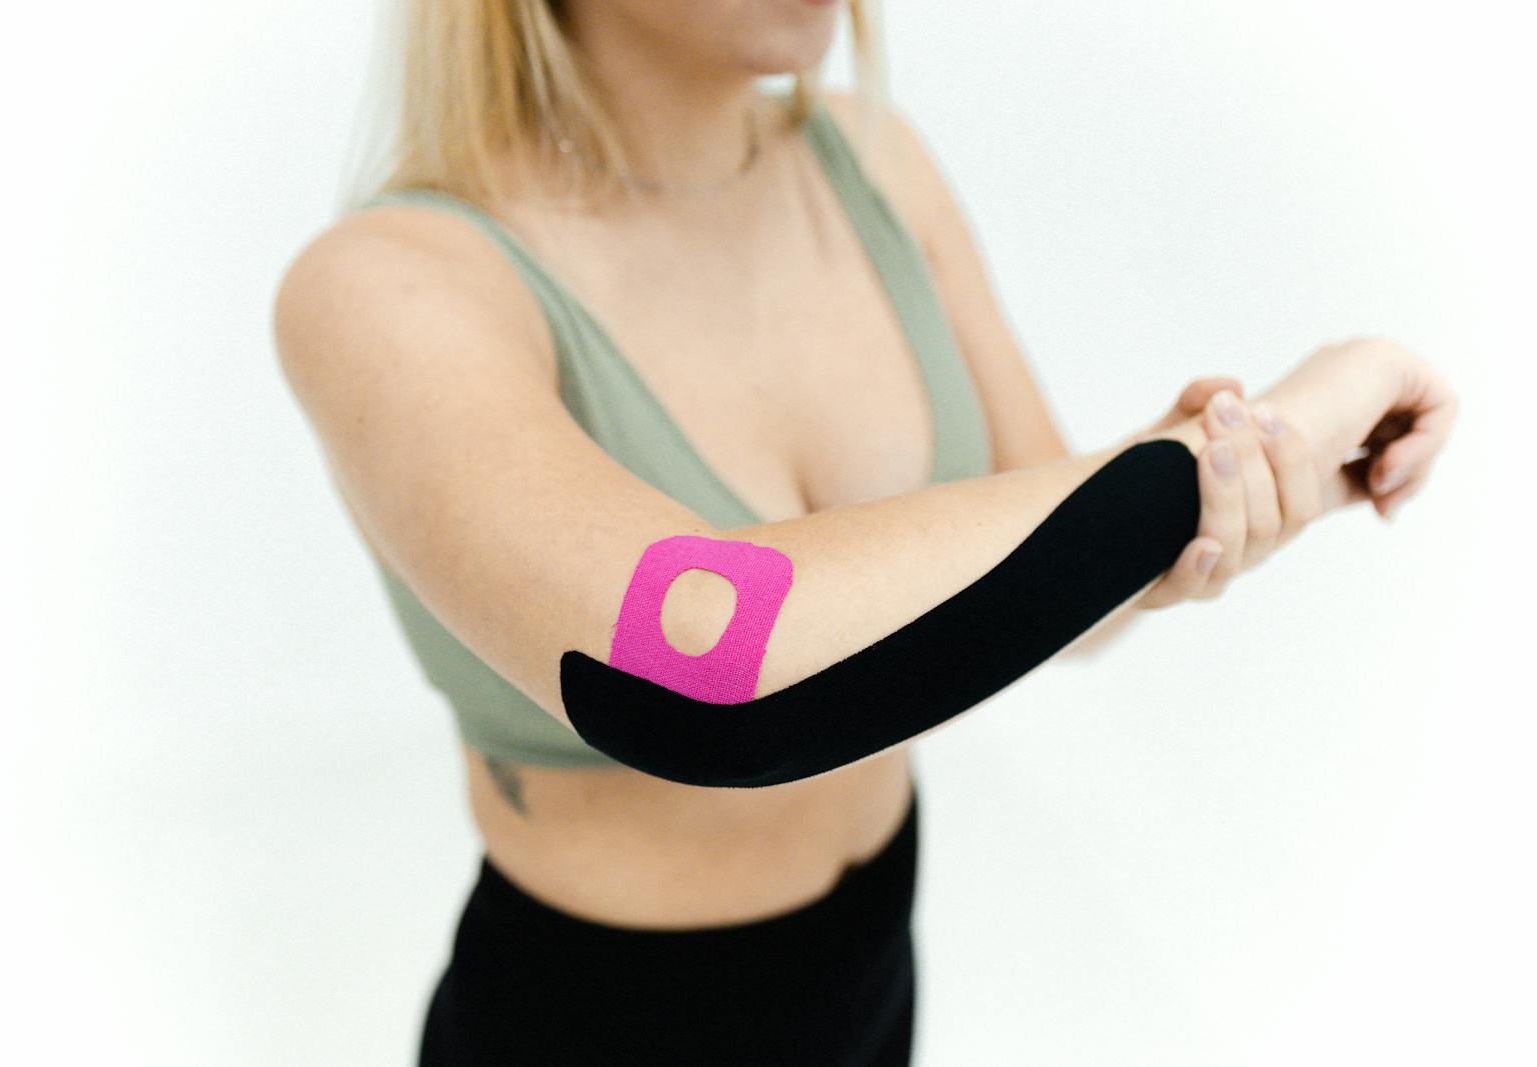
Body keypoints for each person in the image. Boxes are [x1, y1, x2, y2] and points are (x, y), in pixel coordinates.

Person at [272, 1, 1458, 1062]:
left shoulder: (877, 164)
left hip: (875, 960)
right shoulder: (390, 282)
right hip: (601, 1012)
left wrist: (1240, 466)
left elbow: (1052, 595)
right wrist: (1220, 455)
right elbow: (701, 675)